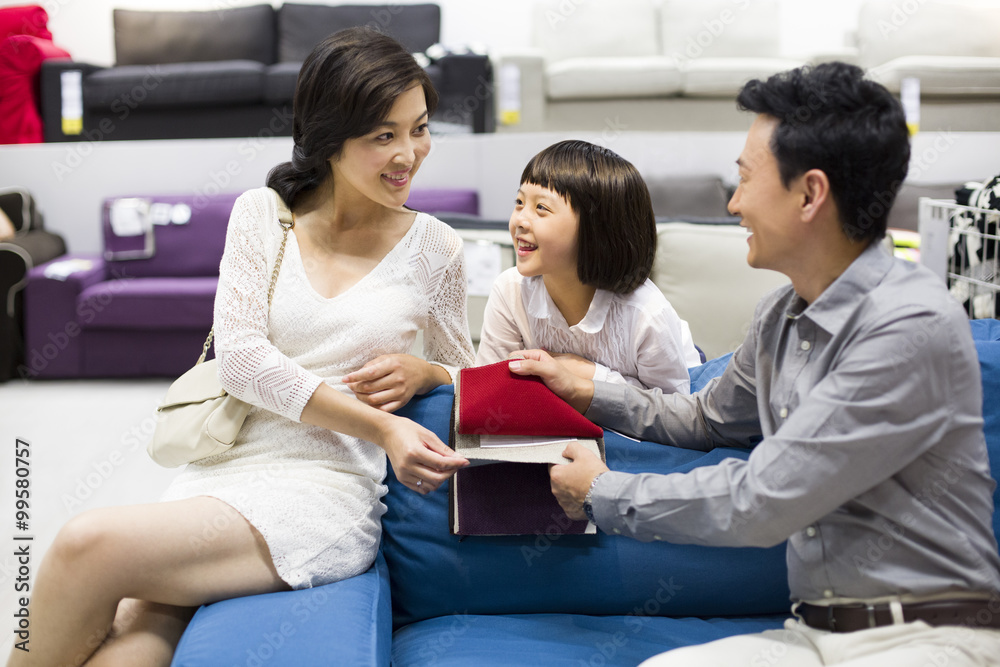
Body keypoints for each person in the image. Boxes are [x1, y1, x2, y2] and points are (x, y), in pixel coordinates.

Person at [8, 27, 474, 667]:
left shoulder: (436, 247)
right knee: (141, 630)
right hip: (224, 467)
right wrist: (381, 427)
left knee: (85, 545)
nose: (410, 153)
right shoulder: (263, 214)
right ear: (329, 139)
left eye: (419, 128)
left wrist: (426, 370)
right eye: (383, 136)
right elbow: (243, 361)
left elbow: (469, 374)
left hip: (324, 491)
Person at [511, 62, 1000, 665]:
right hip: (814, 634)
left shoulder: (909, 326)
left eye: (746, 179)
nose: (734, 201)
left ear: (810, 194)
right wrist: (586, 388)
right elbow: (704, 420)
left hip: (930, 638)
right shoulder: (780, 317)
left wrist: (602, 491)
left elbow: (766, 498)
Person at [476, 139, 701, 393]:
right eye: (519, 202)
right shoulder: (510, 290)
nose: (520, 220)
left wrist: (588, 374)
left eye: (541, 207)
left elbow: (674, 412)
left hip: (678, 378)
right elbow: (488, 386)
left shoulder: (647, 314)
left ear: (597, 229)